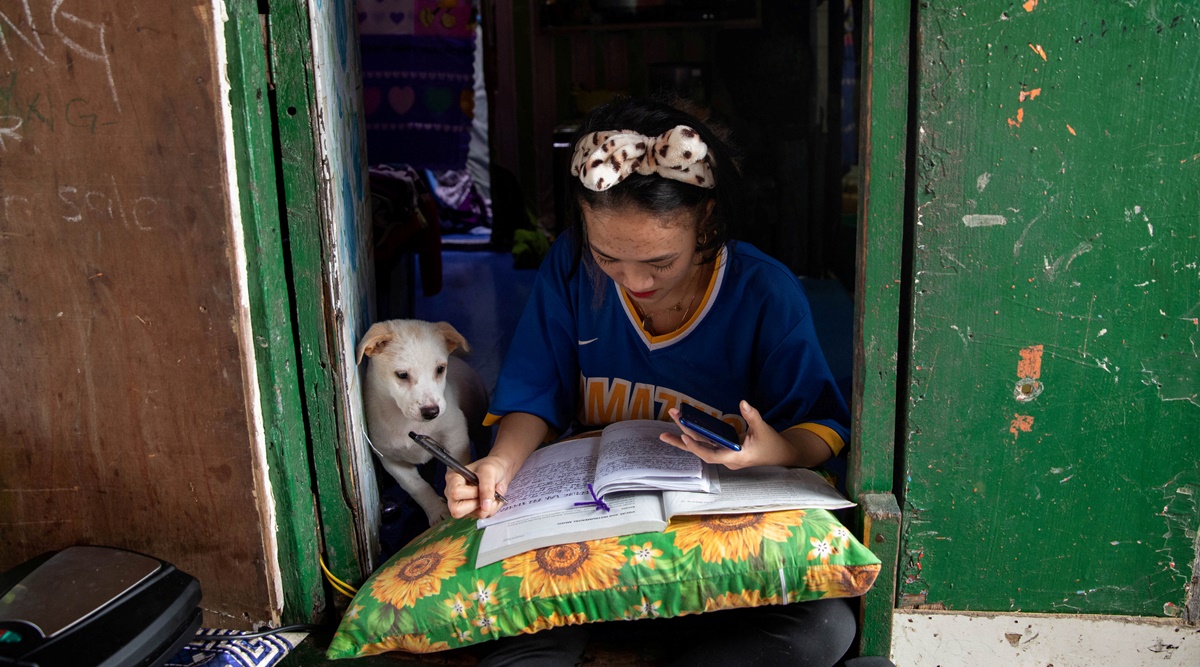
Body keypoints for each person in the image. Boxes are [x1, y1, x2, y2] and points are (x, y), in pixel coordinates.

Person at [446, 95, 856, 666]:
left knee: (822, 627)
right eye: (608, 256)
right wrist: (499, 466)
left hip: (711, 547)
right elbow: (534, 397)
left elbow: (820, 425)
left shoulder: (766, 293)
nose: (634, 281)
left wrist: (774, 448)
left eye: (660, 263)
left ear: (706, 221)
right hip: (588, 537)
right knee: (504, 619)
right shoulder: (570, 266)